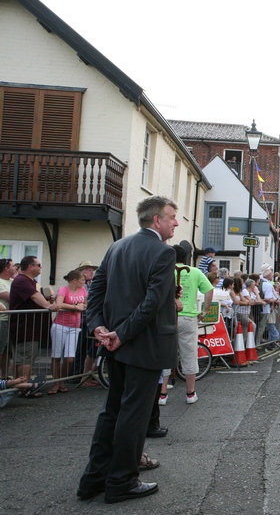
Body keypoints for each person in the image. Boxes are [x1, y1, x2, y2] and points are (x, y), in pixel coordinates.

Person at [77, 196, 179, 504]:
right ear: (156, 220)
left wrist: (97, 326)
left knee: (112, 412)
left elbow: (96, 290)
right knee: (133, 416)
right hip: (142, 346)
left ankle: (93, 479)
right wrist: (119, 333)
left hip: (115, 345)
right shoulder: (163, 252)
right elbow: (152, 303)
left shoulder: (117, 247)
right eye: (172, 217)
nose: (175, 222)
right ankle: (122, 481)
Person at [158, 244, 213, 407]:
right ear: (187, 258)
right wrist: (204, 311)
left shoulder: (165, 270)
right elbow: (209, 291)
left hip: (167, 317)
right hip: (188, 317)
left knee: (165, 355)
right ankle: (190, 393)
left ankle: (162, 395)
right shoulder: (195, 272)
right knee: (189, 354)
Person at [9, 256, 58, 380]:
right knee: (25, 358)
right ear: (30, 267)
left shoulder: (32, 281)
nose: (40, 267)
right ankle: (23, 388)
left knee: (25, 358)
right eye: (38, 265)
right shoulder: (22, 280)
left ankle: (20, 386)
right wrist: (48, 305)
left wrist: (47, 299)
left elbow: (38, 296)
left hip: (31, 327)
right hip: (25, 327)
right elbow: (34, 296)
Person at [49, 269, 87, 394]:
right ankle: (56, 383)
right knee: (57, 356)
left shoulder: (83, 290)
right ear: (74, 281)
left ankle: (62, 380)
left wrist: (82, 307)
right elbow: (59, 303)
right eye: (82, 280)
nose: (83, 282)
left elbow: (85, 304)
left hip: (75, 326)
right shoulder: (63, 289)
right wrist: (76, 307)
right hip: (61, 325)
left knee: (70, 358)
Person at [0, 257, 17, 379]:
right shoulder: (0, 282)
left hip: (11, 320)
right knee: (0, 350)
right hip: (2, 320)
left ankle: (4, 377)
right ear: (6, 268)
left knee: (7, 352)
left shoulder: (12, 281)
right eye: (12, 266)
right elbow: (11, 299)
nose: (15, 268)